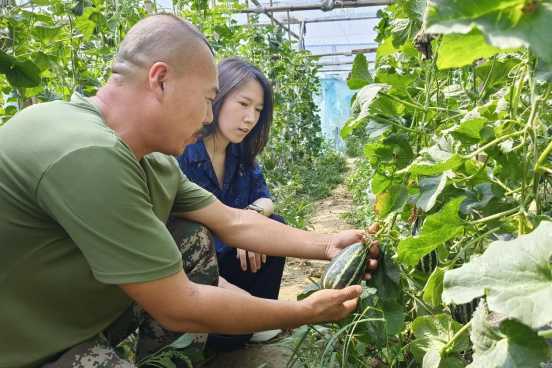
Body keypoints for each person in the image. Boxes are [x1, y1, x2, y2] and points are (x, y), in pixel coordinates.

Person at [0, 14, 379, 368]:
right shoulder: (87, 151)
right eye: (208, 98)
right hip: (27, 345)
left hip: (73, 313)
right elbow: (179, 305)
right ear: (160, 80)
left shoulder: (151, 159)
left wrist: (329, 244)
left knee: (190, 238)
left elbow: (233, 221)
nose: (209, 117)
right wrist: (304, 312)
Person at [177, 58, 285, 351]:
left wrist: (251, 219)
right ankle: (241, 321)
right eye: (243, 104)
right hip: (190, 272)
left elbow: (264, 197)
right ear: (218, 97)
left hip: (227, 260)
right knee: (228, 338)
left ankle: (253, 321)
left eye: (258, 110)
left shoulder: (240, 155)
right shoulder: (182, 152)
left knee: (274, 226)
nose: (250, 118)